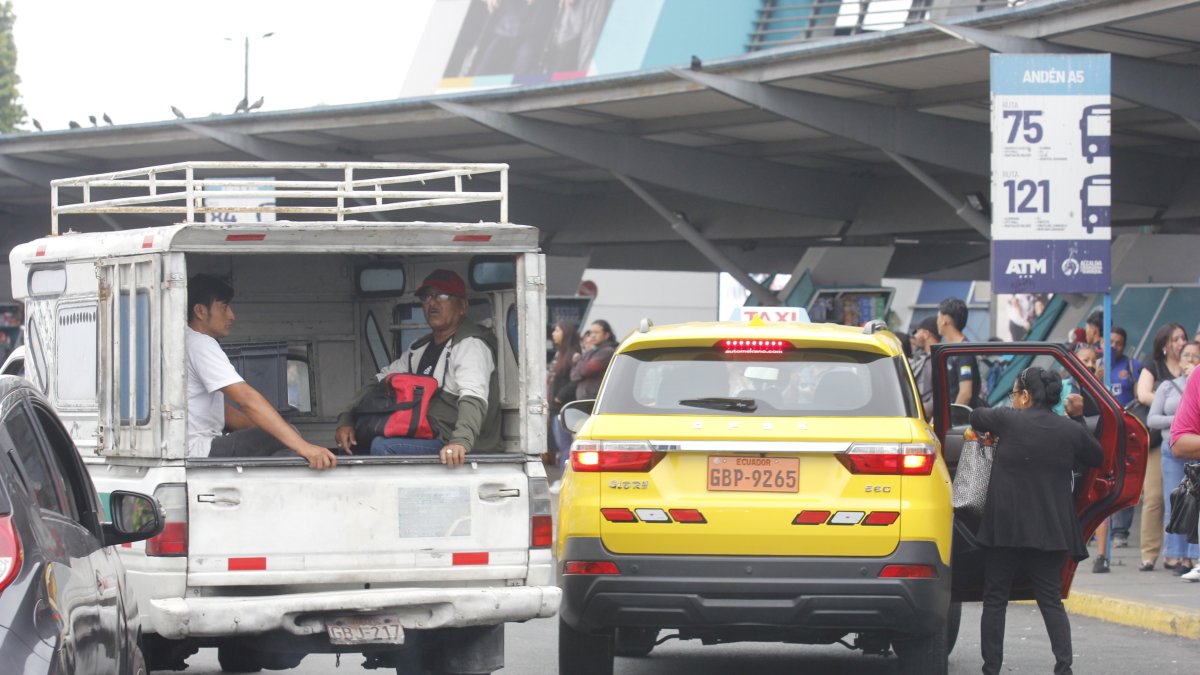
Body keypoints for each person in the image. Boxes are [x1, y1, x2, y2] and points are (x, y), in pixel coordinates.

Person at [970, 367, 1103, 675]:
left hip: (1005, 527)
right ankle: (1063, 666)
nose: (1014, 399)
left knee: (995, 598)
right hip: (1050, 529)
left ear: (1026, 395)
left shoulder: (1007, 420)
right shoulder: (1069, 430)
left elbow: (977, 415)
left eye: (1016, 393)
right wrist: (1078, 418)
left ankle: (991, 668)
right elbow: (1095, 456)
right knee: (1050, 600)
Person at [334, 270, 500, 468]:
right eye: (426, 296)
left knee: (383, 447)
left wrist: (460, 442)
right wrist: (347, 419)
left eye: (442, 295)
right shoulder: (419, 349)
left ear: (463, 306)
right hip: (428, 435)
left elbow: (473, 397)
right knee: (357, 445)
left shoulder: (471, 345)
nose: (432, 303)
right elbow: (379, 381)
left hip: (457, 444)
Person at [186, 274, 340, 470]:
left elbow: (223, 411)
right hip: (200, 450)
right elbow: (246, 399)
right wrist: (305, 448)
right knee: (286, 437)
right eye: (224, 307)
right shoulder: (201, 344)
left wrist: (267, 427)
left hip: (191, 447)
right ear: (200, 311)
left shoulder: (186, 340)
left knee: (279, 433)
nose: (231, 315)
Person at [1133, 322, 1188, 569]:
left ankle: (1177, 552)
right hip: (1160, 441)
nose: (1181, 343)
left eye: (1183, 338)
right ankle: (1149, 552)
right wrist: (1175, 405)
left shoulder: (1191, 368)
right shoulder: (1154, 366)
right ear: (1165, 344)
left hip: (1186, 441)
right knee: (1155, 496)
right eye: (1175, 339)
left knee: (1182, 499)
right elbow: (1144, 394)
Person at [1147, 339, 1200, 575]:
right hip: (1171, 452)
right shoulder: (1187, 381)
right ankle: (1180, 557)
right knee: (1176, 505)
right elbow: (1178, 441)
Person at [548, 321, 581, 493]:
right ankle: (563, 480)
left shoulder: (574, 356)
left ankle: (565, 482)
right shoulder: (559, 354)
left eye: (558, 330)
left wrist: (560, 396)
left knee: (566, 447)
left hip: (565, 409)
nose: (554, 333)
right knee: (561, 447)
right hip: (555, 408)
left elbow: (575, 381)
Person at [937, 297, 981, 407]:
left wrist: (952, 420)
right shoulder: (950, 349)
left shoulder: (963, 351)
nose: (936, 321)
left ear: (944, 320)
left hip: (960, 422)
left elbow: (965, 394)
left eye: (938, 316)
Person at [571, 319, 617, 400]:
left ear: (606, 335)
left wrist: (578, 359)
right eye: (591, 332)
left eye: (596, 332)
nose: (592, 335)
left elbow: (586, 370)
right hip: (584, 399)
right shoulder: (591, 351)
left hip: (594, 400)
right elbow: (573, 376)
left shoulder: (607, 351)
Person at [909, 316, 940, 413]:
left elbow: (936, 397)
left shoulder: (936, 361)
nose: (915, 335)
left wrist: (914, 411)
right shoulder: (922, 357)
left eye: (918, 331)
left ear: (926, 334)